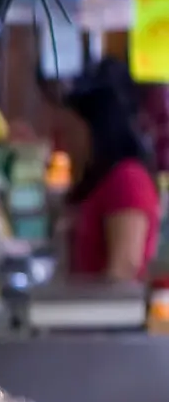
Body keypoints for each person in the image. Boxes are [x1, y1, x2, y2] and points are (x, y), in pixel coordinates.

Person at [50, 61, 162, 282]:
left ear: (96, 132)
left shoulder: (128, 181)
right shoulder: (99, 181)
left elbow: (124, 266)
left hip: (108, 314)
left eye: (72, 133)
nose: (65, 144)